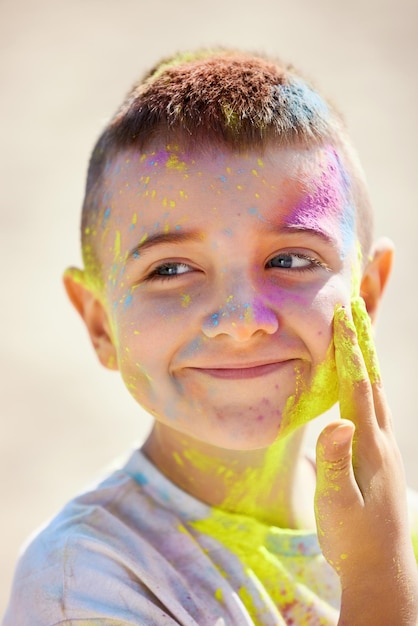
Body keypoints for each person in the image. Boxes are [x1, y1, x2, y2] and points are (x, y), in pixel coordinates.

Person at [3, 48, 418, 626]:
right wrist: (378, 579)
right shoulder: (82, 580)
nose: (241, 318)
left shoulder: (404, 533)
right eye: (169, 270)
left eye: (292, 259)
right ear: (100, 324)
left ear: (366, 296)